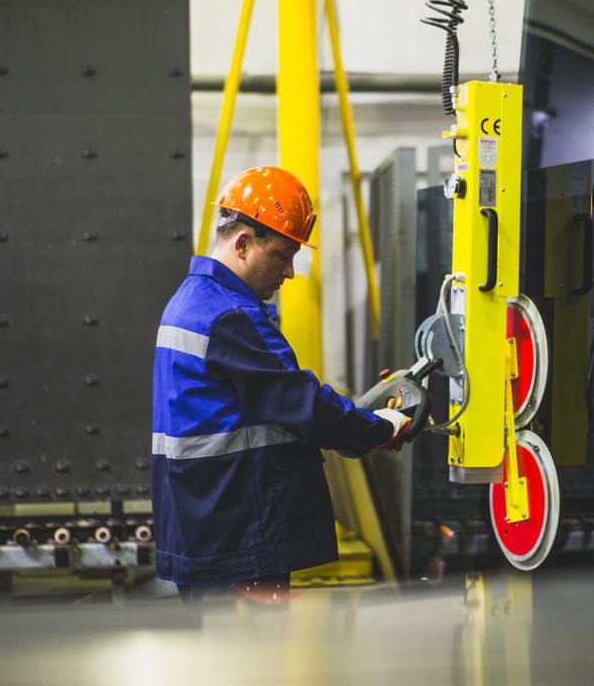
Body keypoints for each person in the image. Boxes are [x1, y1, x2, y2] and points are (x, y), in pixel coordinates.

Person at [152, 166, 409, 603]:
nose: (289, 272)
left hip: (204, 517)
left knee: (221, 645)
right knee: (252, 645)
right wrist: (380, 427)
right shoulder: (230, 315)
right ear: (242, 244)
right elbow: (296, 401)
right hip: (238, 530)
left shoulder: (190, 300)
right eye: (283, 255)